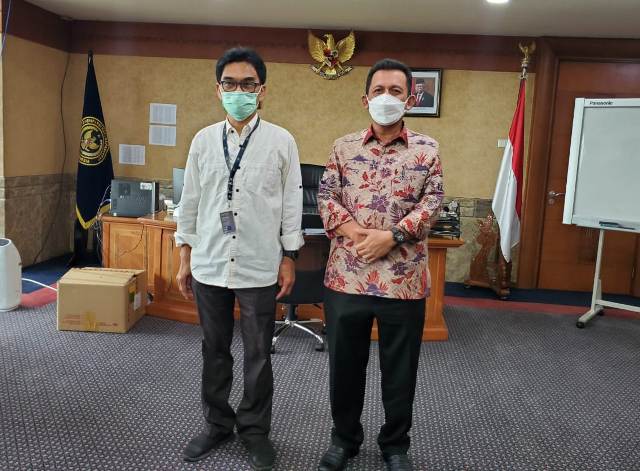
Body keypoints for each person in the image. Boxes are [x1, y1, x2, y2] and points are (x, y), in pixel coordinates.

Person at [175, 47, 303, 471]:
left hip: (259, 264)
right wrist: (184, 255)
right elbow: (190, 201)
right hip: (210, 261)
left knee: (258, 353)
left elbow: (291, 204)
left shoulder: (281, 141)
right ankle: (217, 424)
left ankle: (254, 431)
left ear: (262, 91)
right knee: (214, 349)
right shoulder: (203, 141)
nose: (238, 92)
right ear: (218, 90)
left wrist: (289, 256)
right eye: (230, 84)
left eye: (248, 84)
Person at [316, 58, 444, 471]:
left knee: (400, 371)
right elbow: (326, 197)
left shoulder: (427, 150)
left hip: (403, 282)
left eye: (395, 91)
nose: (386, 98)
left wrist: (392, 236)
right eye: (378, 90)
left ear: (409, 100)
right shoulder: (343, 147)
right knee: (344, 368)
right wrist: (357, 234)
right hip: (347, 277)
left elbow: (433, 202)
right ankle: (344, 439)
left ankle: (395, 445)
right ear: (365, 98)